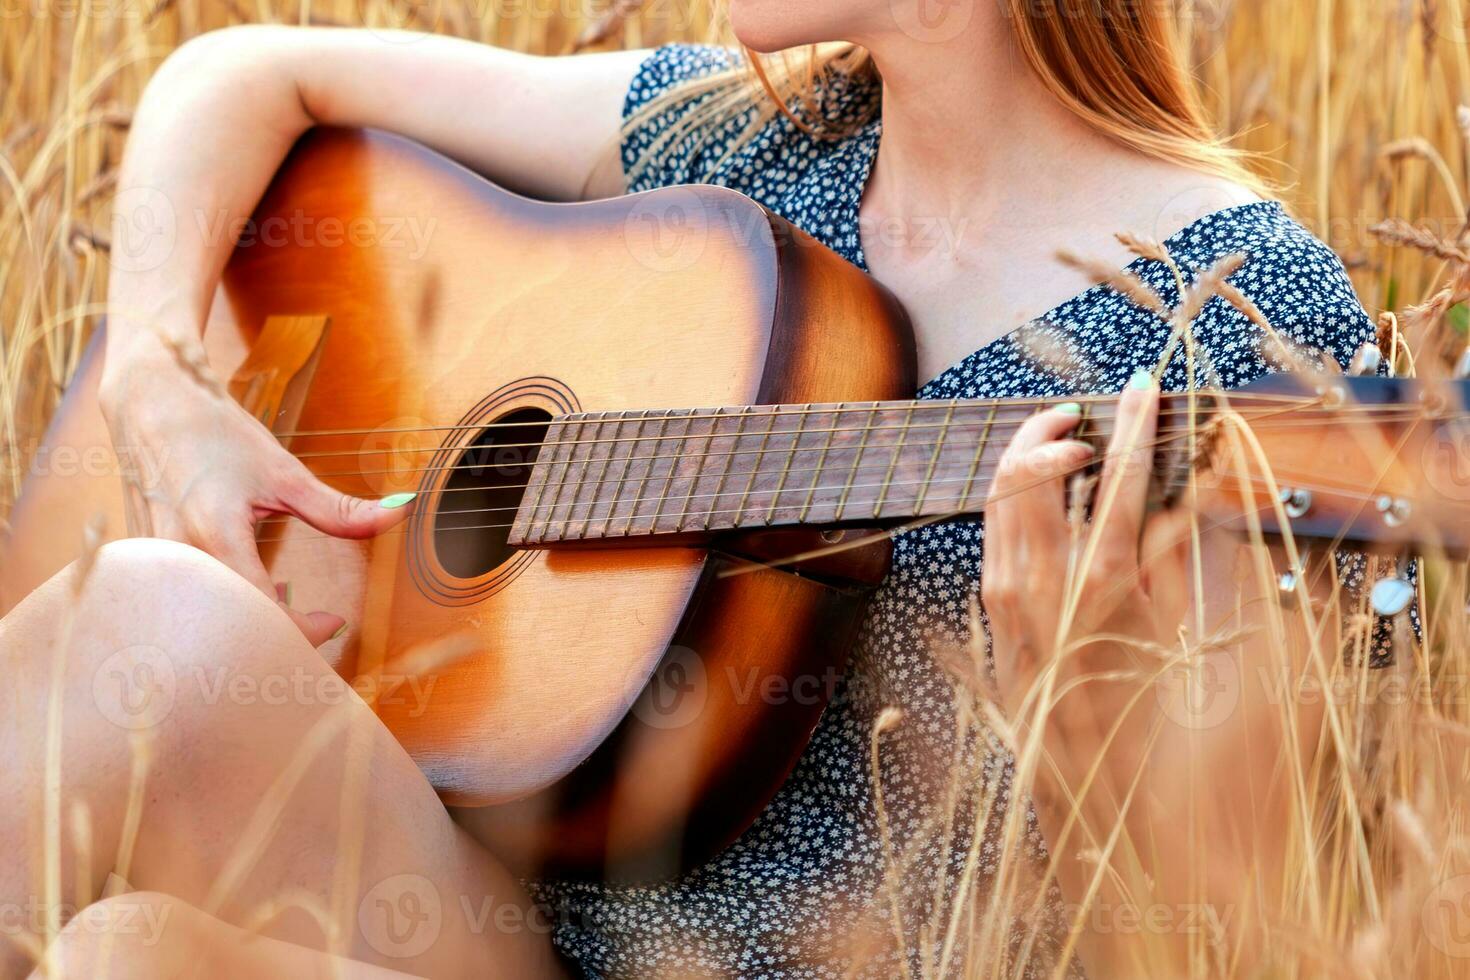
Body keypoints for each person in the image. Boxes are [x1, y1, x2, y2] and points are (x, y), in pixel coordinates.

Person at [1, 2, 1388, 976]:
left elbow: (1248, 918)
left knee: (132, 839)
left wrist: (1079, 713)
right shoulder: (733, 140)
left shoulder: (1239, 326)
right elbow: (243, 73)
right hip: (499, 928)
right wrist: (161, 377)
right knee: (134, 786)